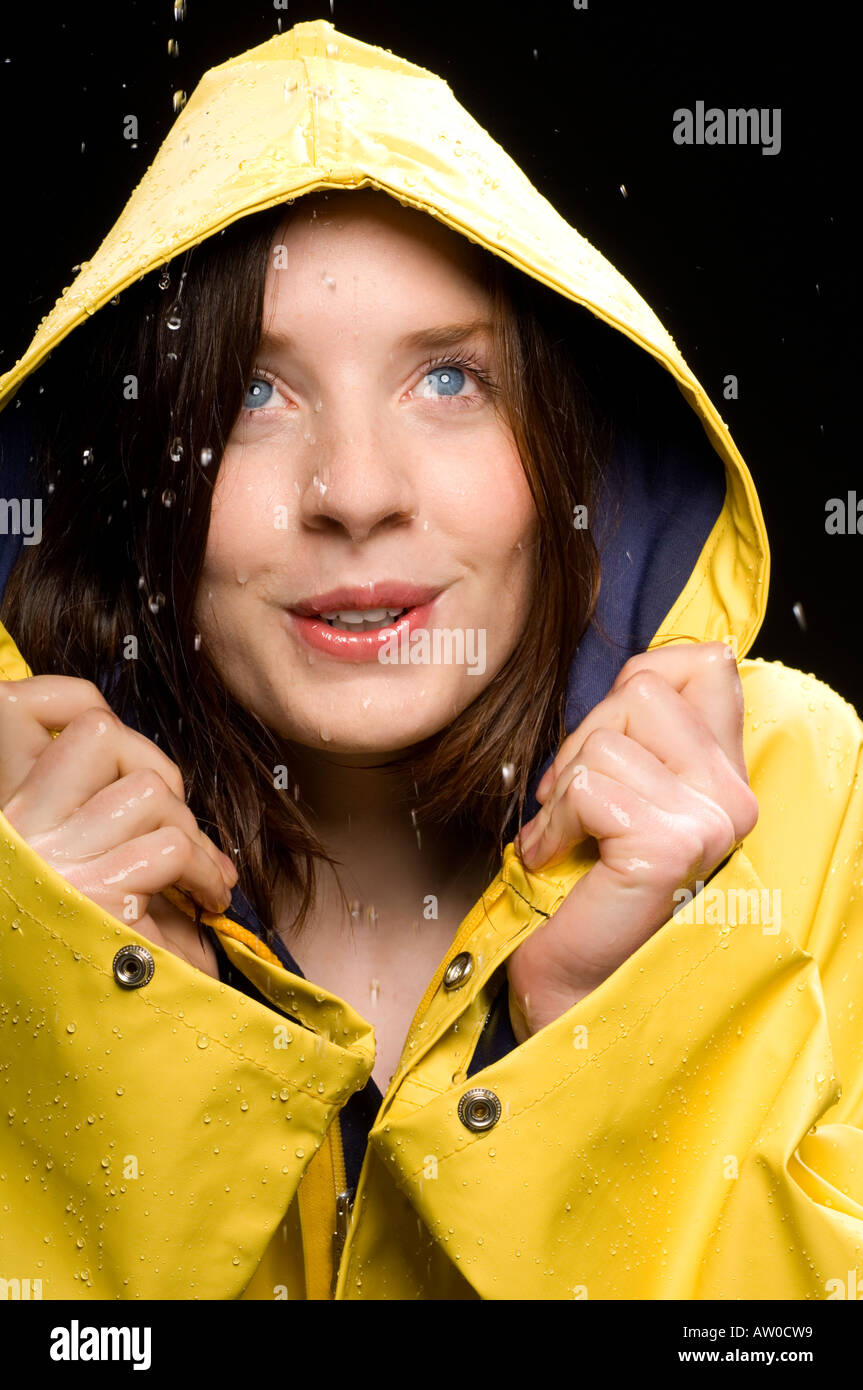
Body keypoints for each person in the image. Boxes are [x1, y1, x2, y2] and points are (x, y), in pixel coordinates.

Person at [0, 17, 861, 1303]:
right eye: (249, 392)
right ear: (135, 476)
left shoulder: (802, 806)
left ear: (571, 448)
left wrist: (600, 1032)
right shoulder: (11, 859)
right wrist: (84, 1022)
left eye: (450, 380)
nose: (355, 493)